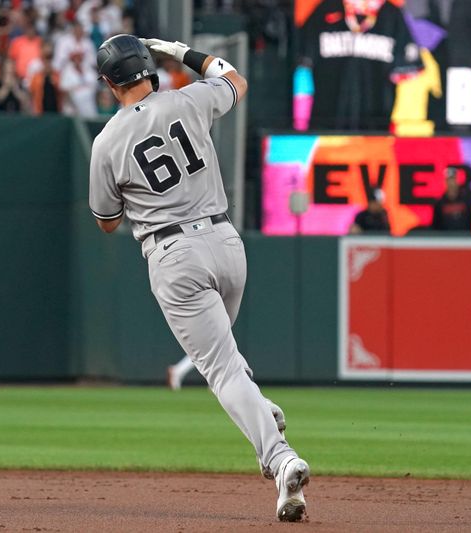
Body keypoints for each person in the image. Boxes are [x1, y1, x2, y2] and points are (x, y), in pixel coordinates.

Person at [89, 34, 310, 522]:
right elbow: (234, 78)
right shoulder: (190, 99)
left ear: (109, 82)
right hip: (227, 244)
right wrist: (177, 48)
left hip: (173, 254)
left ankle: (280, 459)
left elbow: (105, 221)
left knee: (223, 370)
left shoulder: (106, 142)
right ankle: (266, 426)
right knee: (228, 365)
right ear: (150, 67)